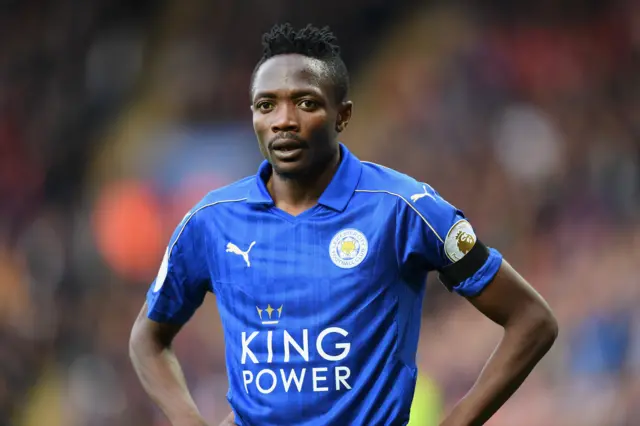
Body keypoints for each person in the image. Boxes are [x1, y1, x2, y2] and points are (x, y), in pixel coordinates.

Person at [129, 23, 558, 426]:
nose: (283, 120)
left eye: (306, 102)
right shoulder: (211, 220)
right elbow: (148, 338)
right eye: (266, 105)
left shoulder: (403, 208)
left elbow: (531, 320)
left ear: (343, 115)